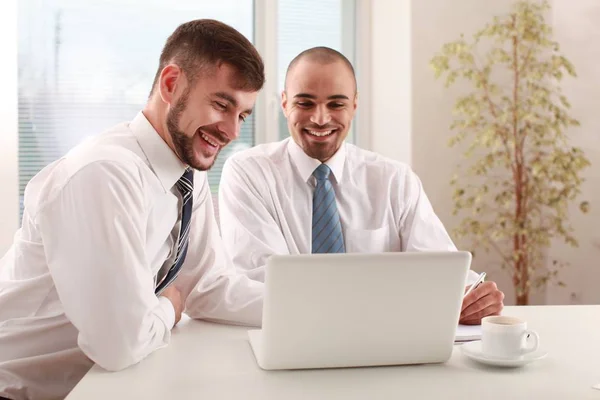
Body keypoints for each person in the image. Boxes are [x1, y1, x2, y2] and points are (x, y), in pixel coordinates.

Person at [0, 19, 265, 400]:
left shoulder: (189, 173)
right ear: (171, 84)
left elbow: (207, 286)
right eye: (221, 104)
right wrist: (168, 309)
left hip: (96, 385)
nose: (232, 131)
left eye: (241, 115)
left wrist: (309, 310)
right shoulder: (105, 174)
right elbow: (119, 343)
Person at [218, 46, 504, 327]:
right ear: (284, 103)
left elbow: (442, 273)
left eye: (336, 104)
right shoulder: (249, 173)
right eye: (305, 103)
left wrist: (472, 297)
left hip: (384, 345)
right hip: (293, 339)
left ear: (354, 104)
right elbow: (263, 285)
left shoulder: (395, 180)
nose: (320, 118)